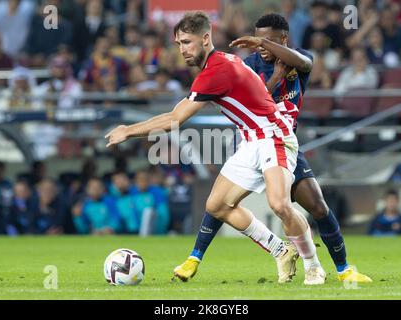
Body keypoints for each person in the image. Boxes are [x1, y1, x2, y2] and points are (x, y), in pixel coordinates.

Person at [105, 11, 326, 285]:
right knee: (217, 205)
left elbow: (174, 119)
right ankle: (280, 250)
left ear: (206, 38)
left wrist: (128, 131)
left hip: (274, 135)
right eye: (179, 44)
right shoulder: (223, 62)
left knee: (280, 204)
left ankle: (313, 266)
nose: (182, 50)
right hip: (251, 139)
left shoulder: (217, 70)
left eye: (187, 42)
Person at [173, 13, 371, 284]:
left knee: (318, 207)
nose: (261, 47)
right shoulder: (249, 64)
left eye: (268, 42)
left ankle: (343, 269)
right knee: (220, 201)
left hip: (283, 140)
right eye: (258, 41)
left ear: (284, 40)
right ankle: (196, 256)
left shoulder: (298, 58)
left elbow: (302, 62)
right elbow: (255, 100)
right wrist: (276, 75)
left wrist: (271, 53)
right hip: (254, 139)